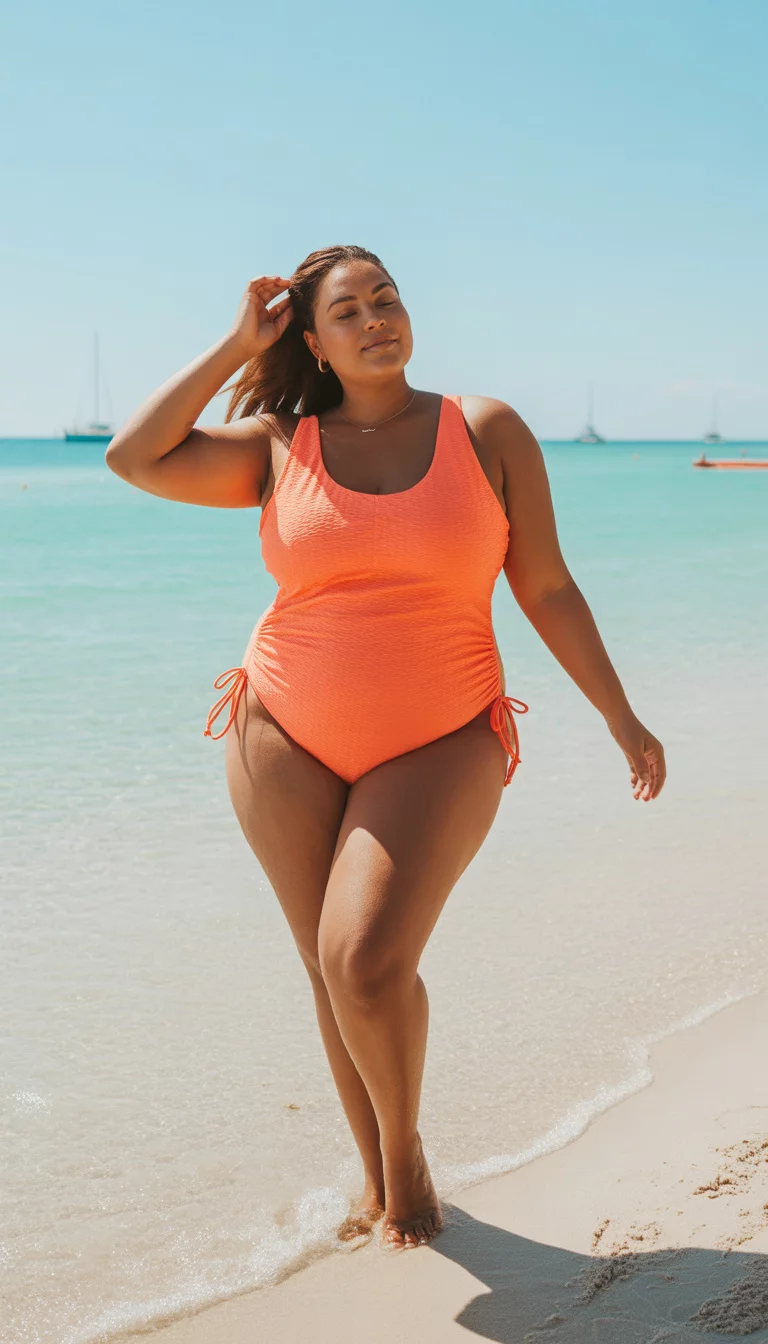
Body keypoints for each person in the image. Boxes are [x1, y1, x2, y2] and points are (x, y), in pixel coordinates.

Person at [105, 244, 666, 1251]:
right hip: (280, 725)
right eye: (349, 309)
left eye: (388, 298)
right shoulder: (281, 444)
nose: (376, 319)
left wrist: (620, 714)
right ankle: (375, 1177)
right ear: (310, 340)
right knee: (327, 969)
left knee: (364, 961)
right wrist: (233, 346)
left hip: (444, 733)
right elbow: (134, 456)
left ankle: (400, 1160)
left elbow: (544, 585)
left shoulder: (483, 431)